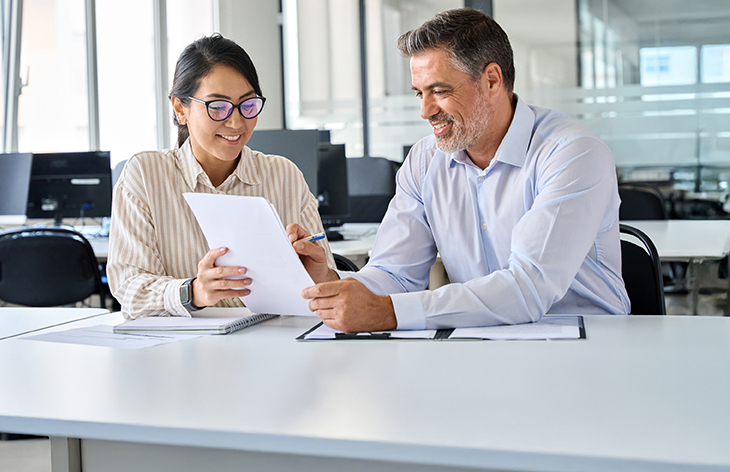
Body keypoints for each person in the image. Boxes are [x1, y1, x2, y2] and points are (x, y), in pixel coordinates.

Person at [289, 8, 630, 332]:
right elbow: (394, 272)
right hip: (480, 339)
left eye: (439, 91)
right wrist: (331, 288)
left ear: (492, 80)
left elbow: (529, 287)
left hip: (586, 342)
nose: (425, 111)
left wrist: (389, 312)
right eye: (419, 93)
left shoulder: (572, 153)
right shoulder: (425, 161)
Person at [109, 34, 334, 319]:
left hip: (276, 344)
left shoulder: (283, 175)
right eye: (218, 107)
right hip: (184, 352)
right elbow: (130, 288)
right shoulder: (145, 174)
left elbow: (326, 287)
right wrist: (193, 292)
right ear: (180, 109)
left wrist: (322, 276)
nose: (236, 121)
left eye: (248, 105)